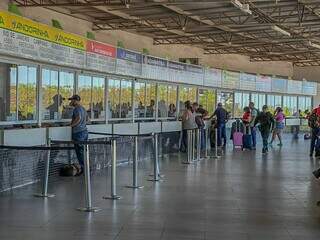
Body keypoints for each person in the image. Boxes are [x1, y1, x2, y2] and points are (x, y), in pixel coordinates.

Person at [69, 94, 88, 175]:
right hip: (84, 131)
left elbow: (78, 118)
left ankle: (83, 170)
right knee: (83, 151)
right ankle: (86, 168)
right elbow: (88, 120)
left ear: (76, 100)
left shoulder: (77, 109)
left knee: (79, 152)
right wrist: (82, 125)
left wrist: (71, 125)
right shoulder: (83, 109)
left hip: (78, 133)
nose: (71, 101)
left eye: (72, 100)